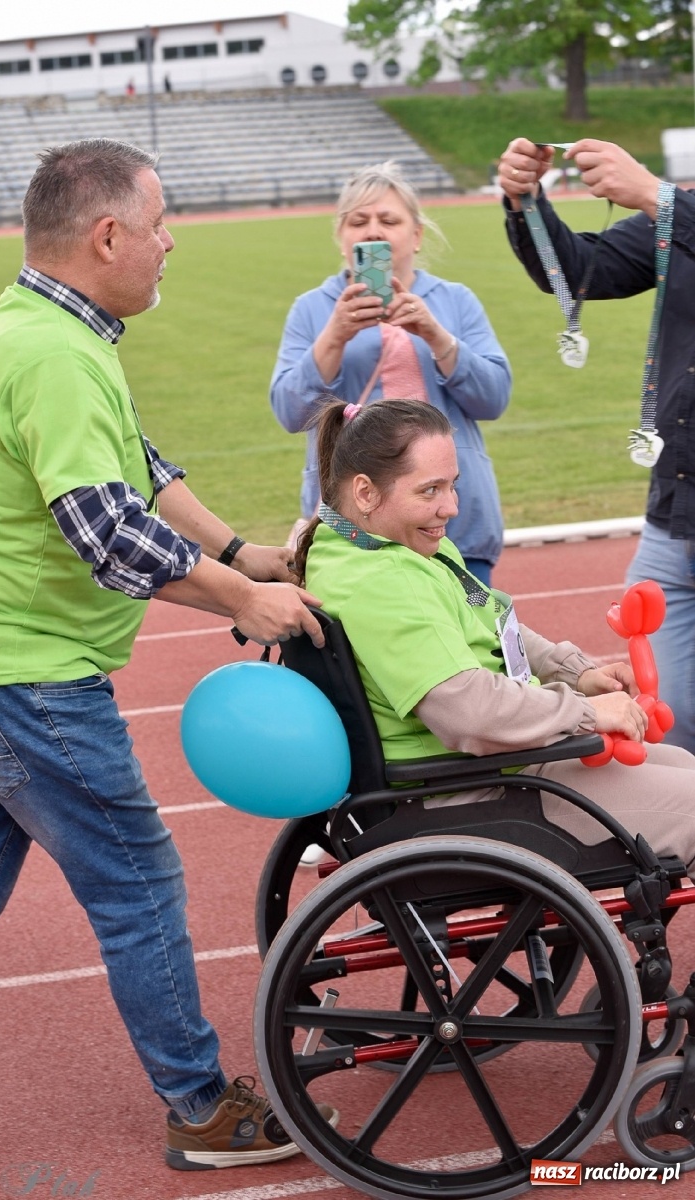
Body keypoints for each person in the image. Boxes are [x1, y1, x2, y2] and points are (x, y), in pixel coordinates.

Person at [0, 137, 333, 1179]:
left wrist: (240, 553)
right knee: (138, 881)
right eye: (158, 224)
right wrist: (245, 600)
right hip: (16, 675)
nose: (169, 242)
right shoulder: (53, 353)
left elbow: (140, 467)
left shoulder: (50, 328)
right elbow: (109, 533)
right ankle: (200, 1107)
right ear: (105, 237)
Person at [294, 398, 695, 872]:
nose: (451, 507)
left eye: (452, 485)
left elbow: (490, 619)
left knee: (682, 765)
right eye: (429, 490)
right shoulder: (385, 581)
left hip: (493, 771)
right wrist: (587, 712)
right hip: (472, 793)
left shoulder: (369, 547)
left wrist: (577, 673)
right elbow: (470, 712)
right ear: (364, 492)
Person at [497, 136, 695, 756]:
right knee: (671, 721)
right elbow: (582, 271)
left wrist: (658, 197)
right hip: (675, 517)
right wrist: (527, 201)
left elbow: (670, 209)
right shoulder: (683, 213)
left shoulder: (678, 210)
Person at [270, 161, 512, 587]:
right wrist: (334, 336)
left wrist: (436, 336)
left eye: (389, 220)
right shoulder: (313, 308)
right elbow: (291, 412)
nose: (373, 231)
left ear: (416, 235)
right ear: (341, 237)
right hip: (354, 524)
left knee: (471, 624)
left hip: (453, 518)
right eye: (358, 221)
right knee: (367, 626)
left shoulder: (454, 300)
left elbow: (493, 398)